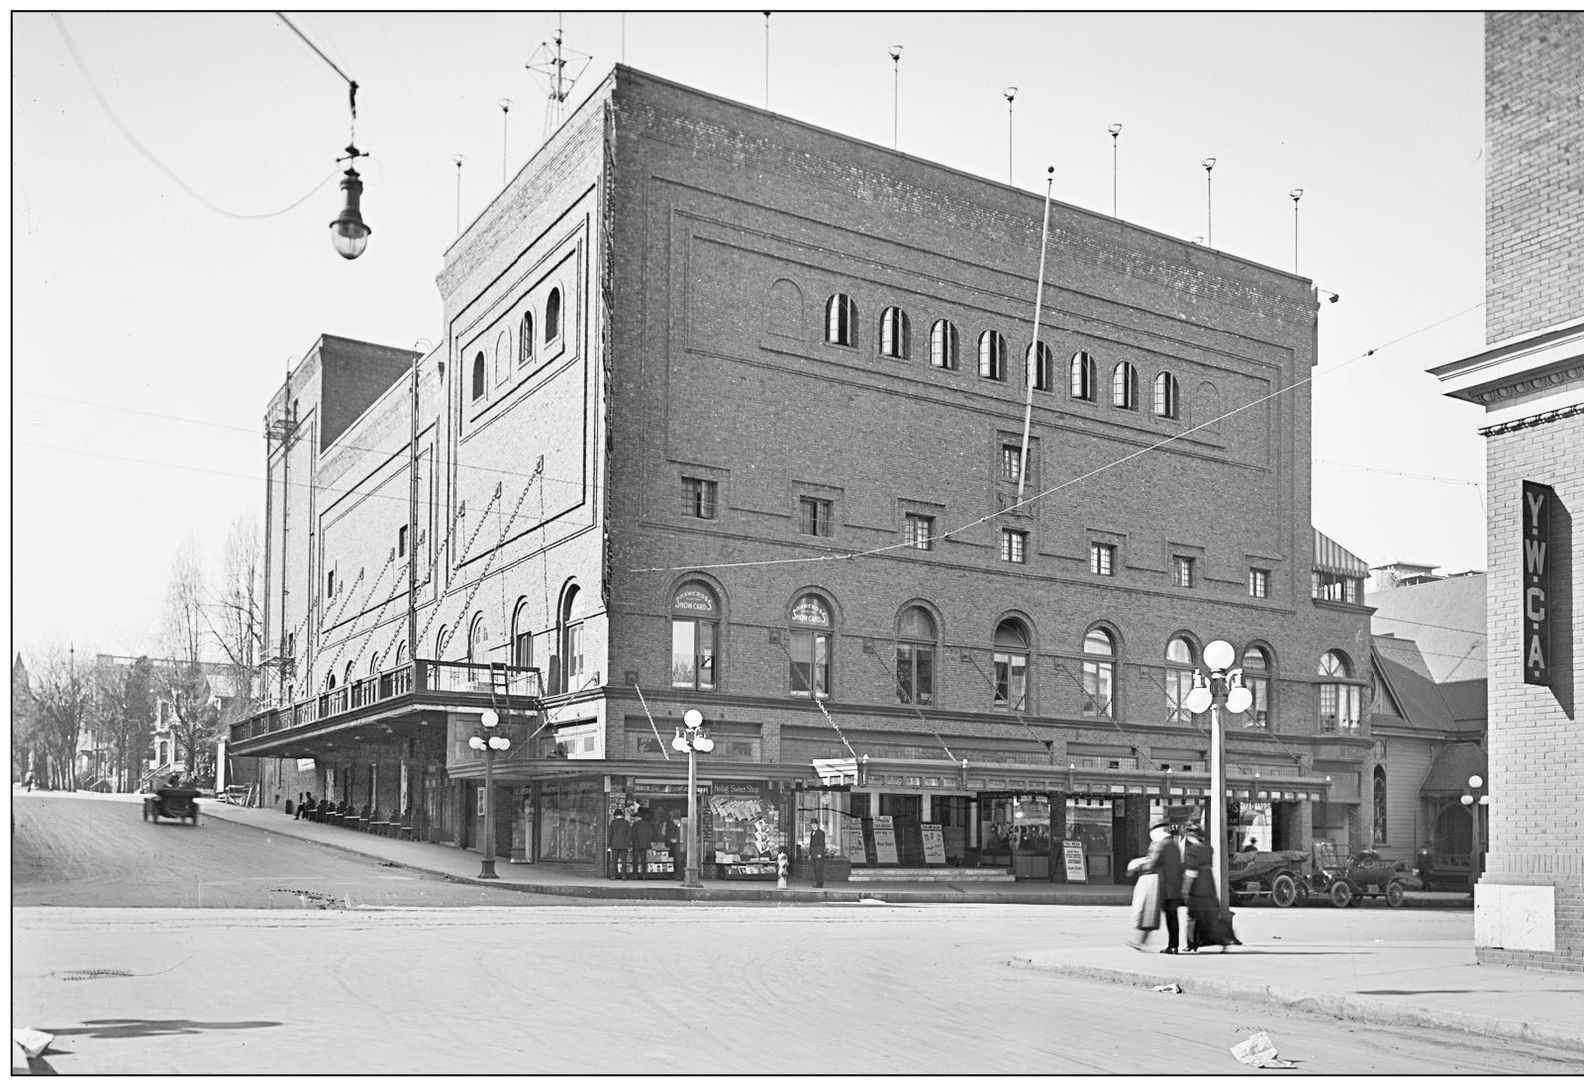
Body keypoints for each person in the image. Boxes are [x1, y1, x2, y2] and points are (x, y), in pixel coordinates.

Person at [1129, 819, 1185, 954]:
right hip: (1174, 885)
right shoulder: (1174, 844)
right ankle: (1173, 945)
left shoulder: (1160, 845)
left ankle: (1143, 942)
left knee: (1150, 914)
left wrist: (1137, 866)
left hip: (1162, 886)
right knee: (1172, 916)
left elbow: (1152, 864)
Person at [1183, 824, 1240, 951]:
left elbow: (1191, 872)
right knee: (1212, 916)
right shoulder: (1208, 848)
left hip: (1197, 888)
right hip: (1209, 884)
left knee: (1193, 916)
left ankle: (1191, 943)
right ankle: (1224, 940)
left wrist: (1186, 889)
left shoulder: (1192, 850)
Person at [631, 808, 656, 879]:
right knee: (643, 860)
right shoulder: (648, 824)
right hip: (644, 845)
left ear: (637, 817)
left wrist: (632, 841)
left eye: (635, 817)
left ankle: (635, 875)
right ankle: (644, 875)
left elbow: (632, 835)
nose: (634, 818)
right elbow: (651, 834)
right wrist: (648, 842)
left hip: (636, 845)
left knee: (635, 860)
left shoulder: (635, 824)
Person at [608, 808, 632, 880]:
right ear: (622, 815)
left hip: (614, 844)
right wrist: (628, 843)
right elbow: (629, 834)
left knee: (614, 861)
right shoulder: (626, 823)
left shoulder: (613, 823)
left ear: (615, 815)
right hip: (624, 845)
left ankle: (613, 875)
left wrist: (609, 844)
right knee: (623, 861)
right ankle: (624, 876)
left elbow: (610, 834)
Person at [809, 822, 827, 888]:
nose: (812, 825)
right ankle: (818, 883)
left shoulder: (821, 832)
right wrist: (810, 853)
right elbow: (811, 844)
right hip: (813, 853)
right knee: (816, 869)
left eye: (814, 824)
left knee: (819, 869)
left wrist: (820, 853)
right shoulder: (812, 833)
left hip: (818, 854)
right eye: (811, 824)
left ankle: (819, 884)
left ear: (817, 825)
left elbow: (822, 843)